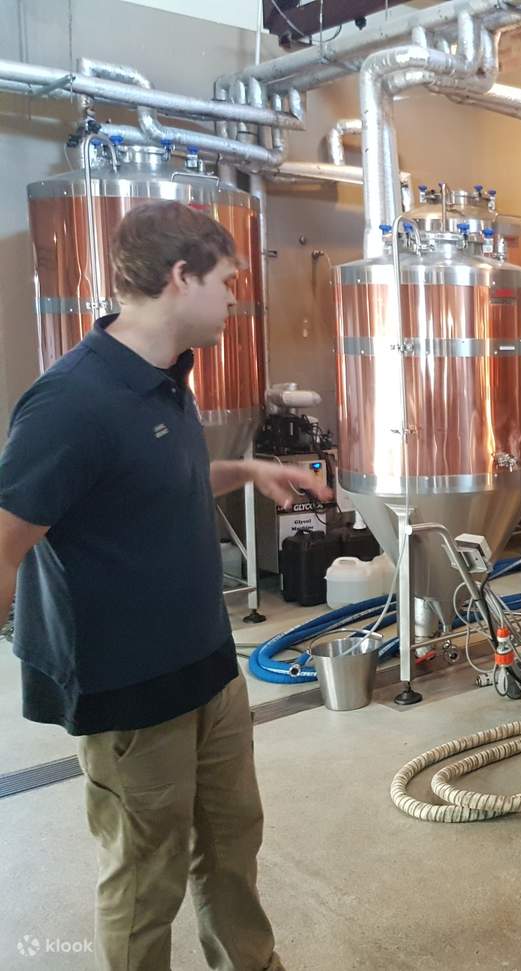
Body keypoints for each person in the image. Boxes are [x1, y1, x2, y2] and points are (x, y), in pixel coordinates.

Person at [0, 201, 330, 971]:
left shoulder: (167, 378)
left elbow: (145, 481)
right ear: (181, 277)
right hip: (130, 691)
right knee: (146, 880)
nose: (234, 299)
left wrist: (243, 469)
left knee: (232, 845)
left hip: (209, 666)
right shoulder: (71, 402)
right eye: (227, 281)